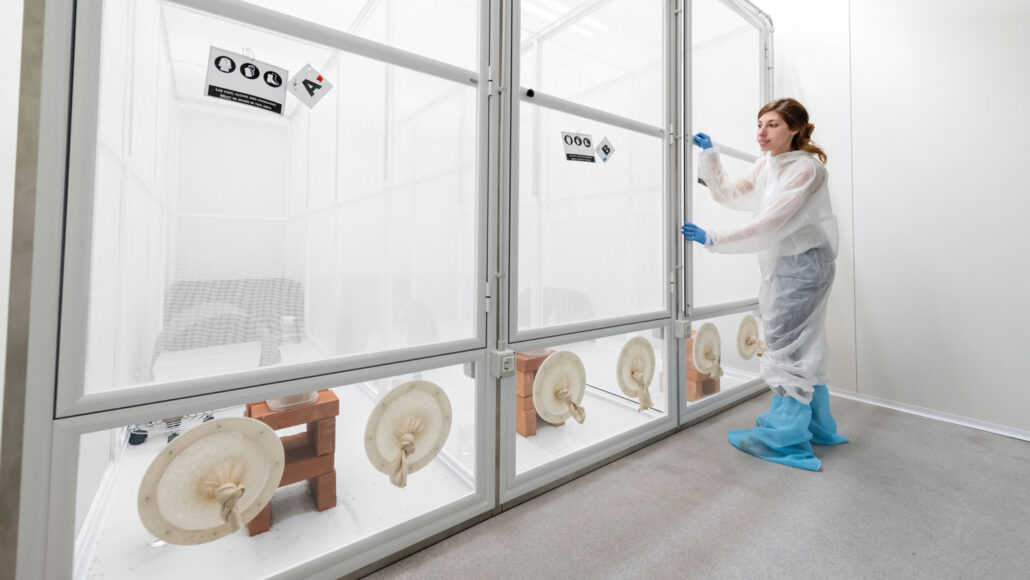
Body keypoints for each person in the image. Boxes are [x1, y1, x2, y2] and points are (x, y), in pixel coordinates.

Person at [683, 98, 848, 471]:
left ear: (795, 129)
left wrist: (714, 238)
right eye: (759, 124)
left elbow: (772, 221)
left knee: (785, 344)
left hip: (805, 266)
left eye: (772, 124)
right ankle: (818, 425)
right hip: (785, 265)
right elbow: (731, 193)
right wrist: (710, 157)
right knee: (802, 344)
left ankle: (785, 439)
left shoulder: (807, 170)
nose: (762, 132)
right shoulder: (767, 165)